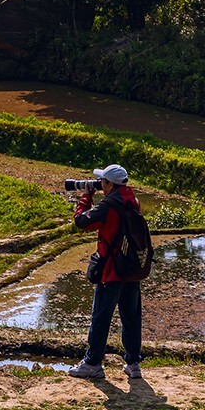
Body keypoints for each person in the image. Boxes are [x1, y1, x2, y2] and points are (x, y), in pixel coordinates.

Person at [68, 163, 144, 381]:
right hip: (131, 269)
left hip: (111, 271)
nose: (99, 184)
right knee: (131, 317)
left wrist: (85, 197)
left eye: (102, 182)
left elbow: (81, 222)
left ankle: (92, 364)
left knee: (101, 318)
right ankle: (133, 363)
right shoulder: (134, 202)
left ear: (110, 184)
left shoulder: (109, 206)